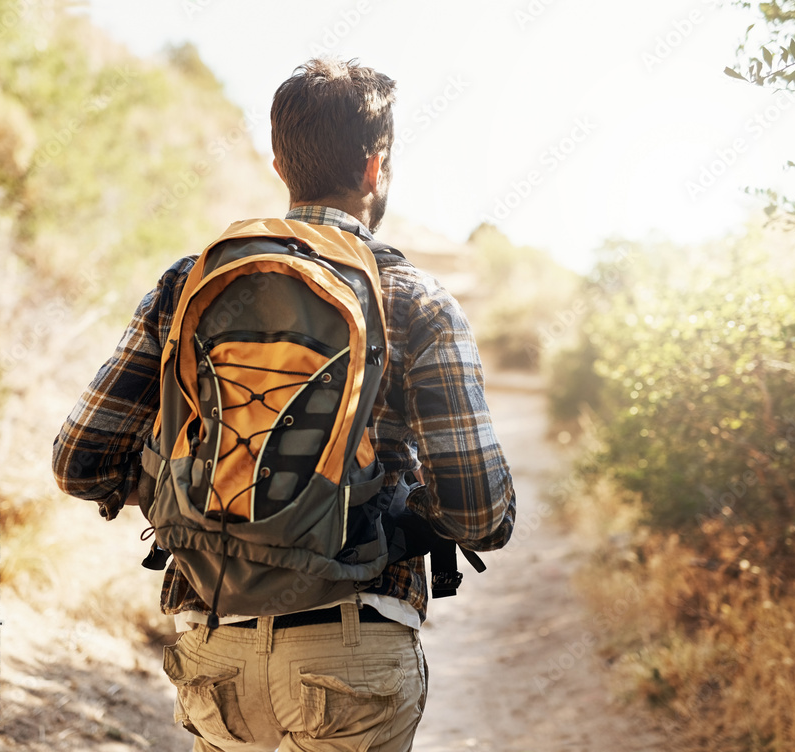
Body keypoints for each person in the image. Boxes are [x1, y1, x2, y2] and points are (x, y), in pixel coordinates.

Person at [52, 57, 516, 752]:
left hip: (216, 650)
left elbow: (79, 461)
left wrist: (194, 500)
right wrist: (397, 509)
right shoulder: (414, 299)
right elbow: (480, 514)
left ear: (279, 164)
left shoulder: (189, 282)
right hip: (352, 649)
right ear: (374, 167)